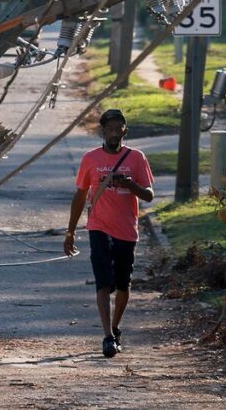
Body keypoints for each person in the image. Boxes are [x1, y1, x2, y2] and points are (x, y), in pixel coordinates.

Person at [63, 108, 154, 358]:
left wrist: (130, 184)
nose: (114, 133)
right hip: (98, 226)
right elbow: (80, 195)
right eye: (109, 128)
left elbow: (148, 195)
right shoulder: (90, 159)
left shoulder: (136, 158)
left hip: (126, 228)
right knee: (103, 281)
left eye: (119, 128)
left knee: (123, 283)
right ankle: (107, 336)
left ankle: (116, 327)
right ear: (102, 131)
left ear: (125, 130)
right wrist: (70, 231)